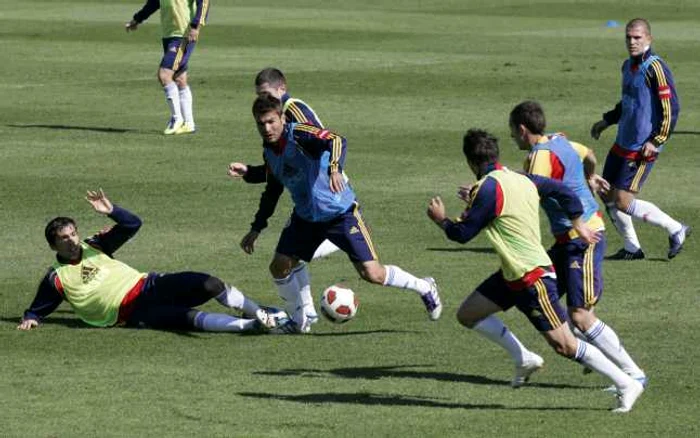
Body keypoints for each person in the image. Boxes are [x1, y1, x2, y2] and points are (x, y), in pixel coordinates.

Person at [426, 129, 643, 412]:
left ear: (471, 161)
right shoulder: (520, 178)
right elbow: (564, 192)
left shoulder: (487, 189)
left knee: (565, 345)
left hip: (532, 277)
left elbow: (462, 233)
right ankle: (524, 358)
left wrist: (441, 220)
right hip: (512, 274)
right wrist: (578, 222)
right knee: (468, 314)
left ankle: (627, 383)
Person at [227, 93, 442, 333]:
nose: (266, 128)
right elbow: (273, 187)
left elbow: (336, 139)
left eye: (271, 121)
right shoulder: (269, 150)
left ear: (281, 118)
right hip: (306, 218)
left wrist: (335, 169)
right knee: (279, 266)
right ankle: (298, 321)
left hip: (341, 214)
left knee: (372, 273)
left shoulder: (299, 135)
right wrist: (257, 226)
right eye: (260, 123)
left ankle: (424, 286)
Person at [510, 100, 647, 387]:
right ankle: (597, 357)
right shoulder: (560, 141)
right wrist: (589, 176)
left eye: (513, 132)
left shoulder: (537, 159)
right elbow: (590, 154)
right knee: (542, 299)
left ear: (523, 130)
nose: (512, 138)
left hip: (583, 238)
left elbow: (531, 193)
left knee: (581, 316)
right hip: (567, 240)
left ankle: (633, 374)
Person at [17, 189, 279, 334]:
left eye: (73, 233)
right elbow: (38, 307)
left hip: (149, 285)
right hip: (132, 313)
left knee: (209, 283)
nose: (72, 240)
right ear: (53, 245)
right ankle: (252, 326)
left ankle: (258, 311)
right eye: (64, 238)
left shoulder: (95, 245)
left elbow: (133, 224)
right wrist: (32, 317)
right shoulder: (55, 278)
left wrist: (112, 211)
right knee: (190, 319)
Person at [590, 18, 689, 260]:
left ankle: (676, 228)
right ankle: (632, 248)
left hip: (642, 146)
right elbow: (627, 102)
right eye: (628, 37)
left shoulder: (656, 68)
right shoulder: (627, 66)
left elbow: (671, 108)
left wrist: (656, 140)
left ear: (649, 39)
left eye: (637, 37)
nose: (632, 42)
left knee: (623, 201)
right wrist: (608, 120)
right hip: (623, 141)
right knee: (605, 192)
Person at [253, 67, 341, 261]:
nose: (264, 100)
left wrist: (333, 171)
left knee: (291, 257)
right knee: (287, 260)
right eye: (260, 96)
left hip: (322, 187)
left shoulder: (293, 109)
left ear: (282, 89)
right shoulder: (272, 117)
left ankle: (336, 238)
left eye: (267, 94)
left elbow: (321, 145)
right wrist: (250, 172)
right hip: (307, 187)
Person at [125, 0, 210, 135]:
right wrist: (137, 19)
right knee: (180, 78)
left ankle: (176, 119)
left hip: (184, 34)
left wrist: (195, 27)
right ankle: (189, 123)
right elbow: (153, 3)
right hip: (169, 34)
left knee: (164, 75)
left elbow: (204, 2)